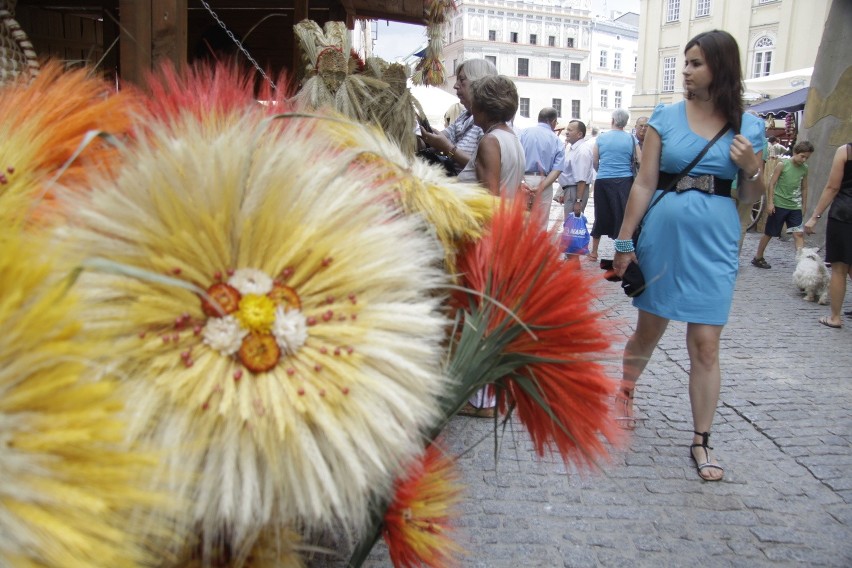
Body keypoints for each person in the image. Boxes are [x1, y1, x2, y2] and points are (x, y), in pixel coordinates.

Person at [611, 30, 766, 481]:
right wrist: (623, 241)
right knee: (649, 331)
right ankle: (625, 392)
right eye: (685, 62)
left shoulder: (748, 127)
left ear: (720, 66)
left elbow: (751, 197)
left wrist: (751, 167)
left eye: (696, 63)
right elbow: (644, 182)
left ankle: (701, 440)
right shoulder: (665, 116)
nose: (686, 70)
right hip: (663, 238)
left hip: (716, 243)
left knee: (706, 344)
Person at [456, 74, 525, 417]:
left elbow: (490, 199)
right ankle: (490, 393)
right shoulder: (512, 138)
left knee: (479, 316)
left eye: (473, 103)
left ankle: (482, 401)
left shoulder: (489, 142)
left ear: (483, 108)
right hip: (505, 237)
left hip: (486, 239)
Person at [420, 59, 498, 175]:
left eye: (462, 80)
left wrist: (448, 149)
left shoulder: (489, 122)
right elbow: (441, 136)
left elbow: (485, 170)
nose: (455, 86)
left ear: (478, 83)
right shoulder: (464, 116)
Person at [804, 143, 852, 329]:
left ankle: (835, 317)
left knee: (839, 270)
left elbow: (832, 187)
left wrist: (815, 217)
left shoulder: (845, 151)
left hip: (843, 214)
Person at [751, 141, 815, 268]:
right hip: (780, 204)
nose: (804, 160)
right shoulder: (783, 164)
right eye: (802, 156)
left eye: (807, 158)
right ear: (795, 152)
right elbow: (772, 183)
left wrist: (804, 205)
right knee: (769, 232)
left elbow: (804, 188)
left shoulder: (805, 168)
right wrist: (770, 203)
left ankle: (802, 263)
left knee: (798, 234)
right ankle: (758, 256)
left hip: (795, 206)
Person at [588, 108, 641, 262]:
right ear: (625, 122)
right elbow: (640, 160)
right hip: (625, 181)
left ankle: (594, 252)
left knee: (601, 214)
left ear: (612, 120)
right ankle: (622, 250)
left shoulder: (601, 138)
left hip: (603, 181)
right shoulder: (631, 139)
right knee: (624, 214)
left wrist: (602, 171)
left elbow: (595, 161)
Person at [519, 107, 564, 227]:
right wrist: (541, 186)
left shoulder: (523, 133)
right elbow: (557, 169)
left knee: (520, 222)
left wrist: (521, 181)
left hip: (523, 179)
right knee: (540, 223)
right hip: (544, 181)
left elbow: (515, 158)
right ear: (553, 122)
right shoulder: (556, 140)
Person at [557, 120, 595, 219]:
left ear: (579, 134)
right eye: (567, 129)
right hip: (571, 190)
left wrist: (578, 201)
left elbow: (581, 179)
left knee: (572, 225)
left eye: (570, 130)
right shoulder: (573, 148)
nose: (566, 132)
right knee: (570, 224)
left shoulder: (582, 151)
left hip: (575, 191)